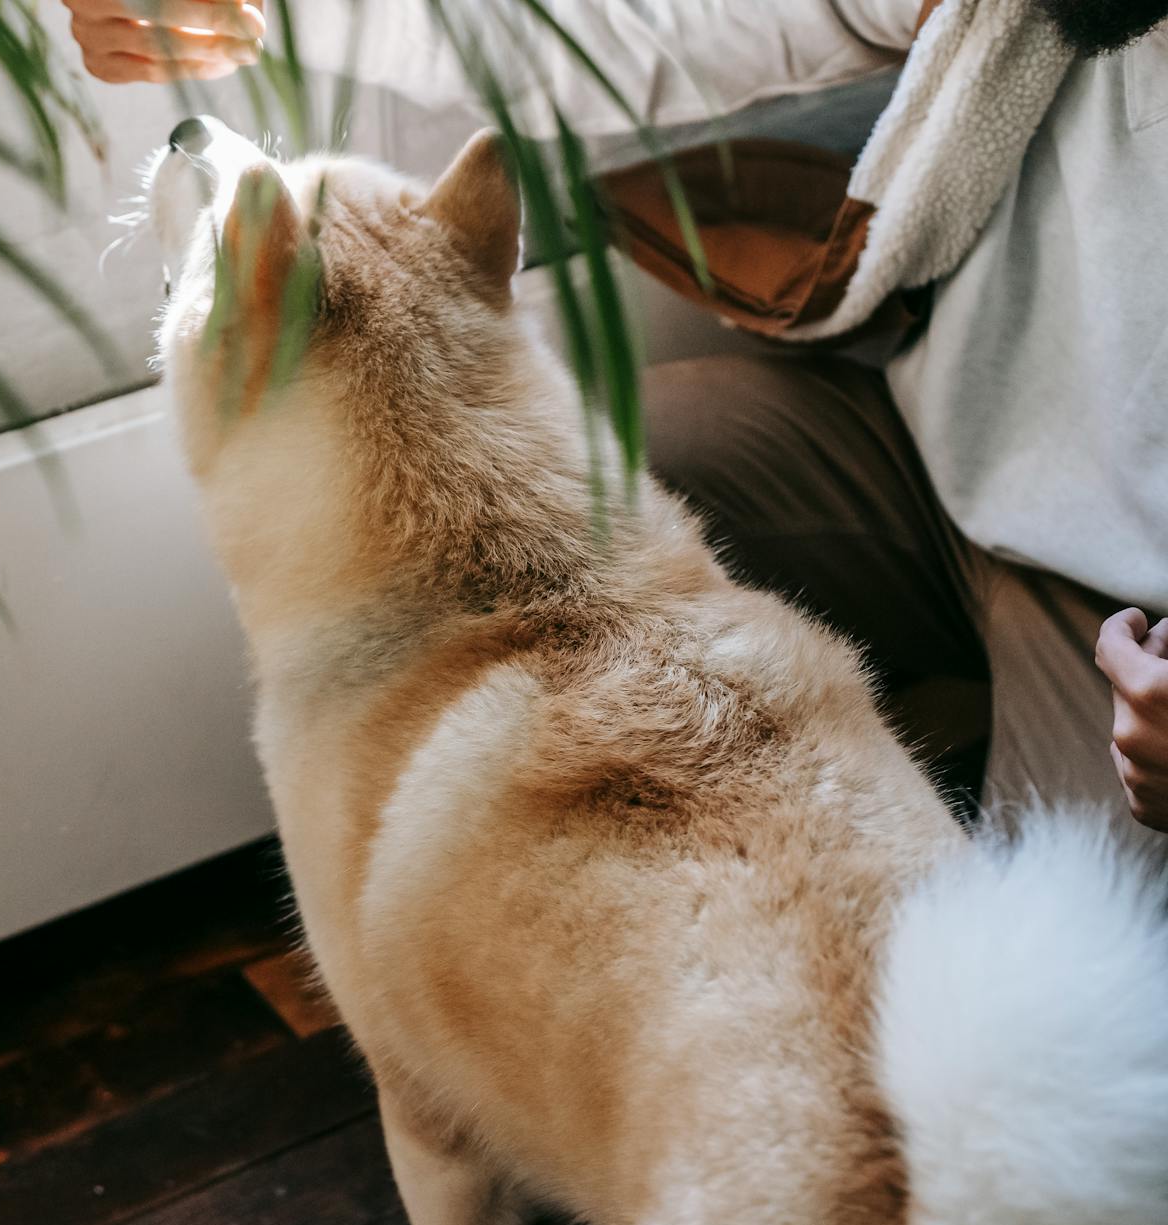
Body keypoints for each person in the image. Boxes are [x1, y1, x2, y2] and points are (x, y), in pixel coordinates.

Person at [62, 0, 1168, 845]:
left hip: (1131, 622)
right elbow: (666, 17)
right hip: (946, 446)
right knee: (493, 499)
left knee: (1074, 1057)